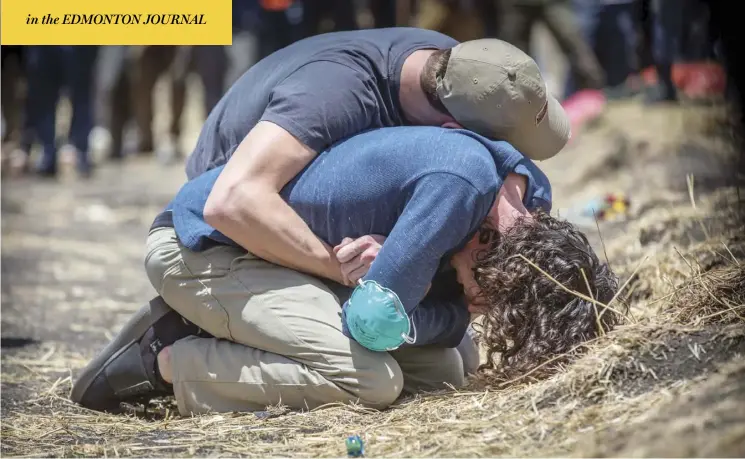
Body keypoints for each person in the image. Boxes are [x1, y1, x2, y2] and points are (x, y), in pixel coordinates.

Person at [71, 123, 619, 414]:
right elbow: (373, 324)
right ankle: (170, 356)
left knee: (447, 372)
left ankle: (236, 328)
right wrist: (449, 311)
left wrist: (428, 302)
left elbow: (401, 311)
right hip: (204, 247)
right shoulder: (461, 190)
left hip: (289, 266)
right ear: (482, 242)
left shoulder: (520, 201)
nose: (483, 308)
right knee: (373, 381)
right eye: (490, 294)